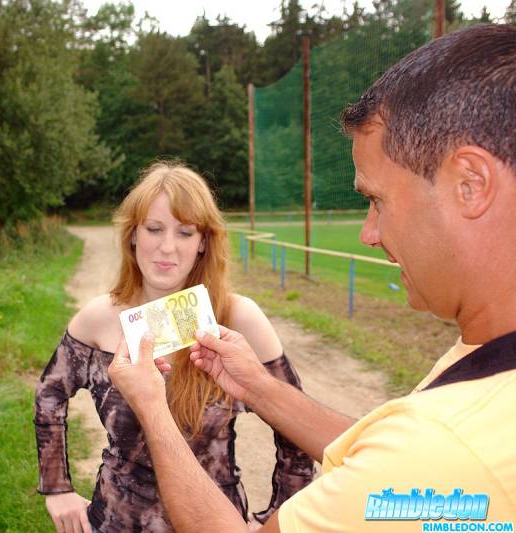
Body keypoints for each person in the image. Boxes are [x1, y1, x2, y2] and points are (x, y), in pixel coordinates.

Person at [108, 23, 516, 532]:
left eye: (376, 200)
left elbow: (412, 463)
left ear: (471, 183)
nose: (368, 233)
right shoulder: (481, 378)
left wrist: (152, 407)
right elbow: (384, 458)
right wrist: (258, 386)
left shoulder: (442, 446)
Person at [34, 163, 314, 533]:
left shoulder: (239, 319)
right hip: (115, 521)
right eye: (154, 229)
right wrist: (56, 487)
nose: (167, 247)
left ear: (203, 242)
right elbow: (49, 394)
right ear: (133, 235)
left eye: (185, 232)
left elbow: (296, 427)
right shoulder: (98, 318)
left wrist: (276, 519)